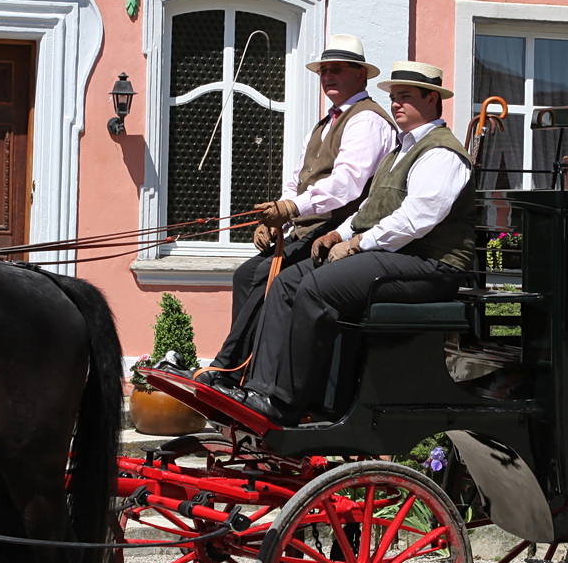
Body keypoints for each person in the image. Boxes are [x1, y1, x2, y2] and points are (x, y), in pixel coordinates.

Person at [226, 61, 477, 425]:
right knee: (287, 281)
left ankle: (288, 402)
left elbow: (416, 220)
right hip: (397, 255)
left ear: (432, 99)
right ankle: (260, 390)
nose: (396, 104)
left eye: (405, 97)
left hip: (431, 264)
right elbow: (369, 208)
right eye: (393, 97)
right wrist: (338, 234)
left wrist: (359, 244)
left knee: (314, 287)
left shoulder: (442, 153)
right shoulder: (400, 152)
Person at [191, 33, 393, 385]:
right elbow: (297, 179)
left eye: (338, 70)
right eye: (324, 71)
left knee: (269, 277)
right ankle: (243, 371)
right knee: (245, 274)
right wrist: (275, 219)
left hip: (338, 235)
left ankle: (235, 371)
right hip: (304, 229)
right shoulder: (324, 123)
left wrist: (290, 208)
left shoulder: (367, 121)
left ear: (361, 75)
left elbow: (347, 184)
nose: (328, 76)